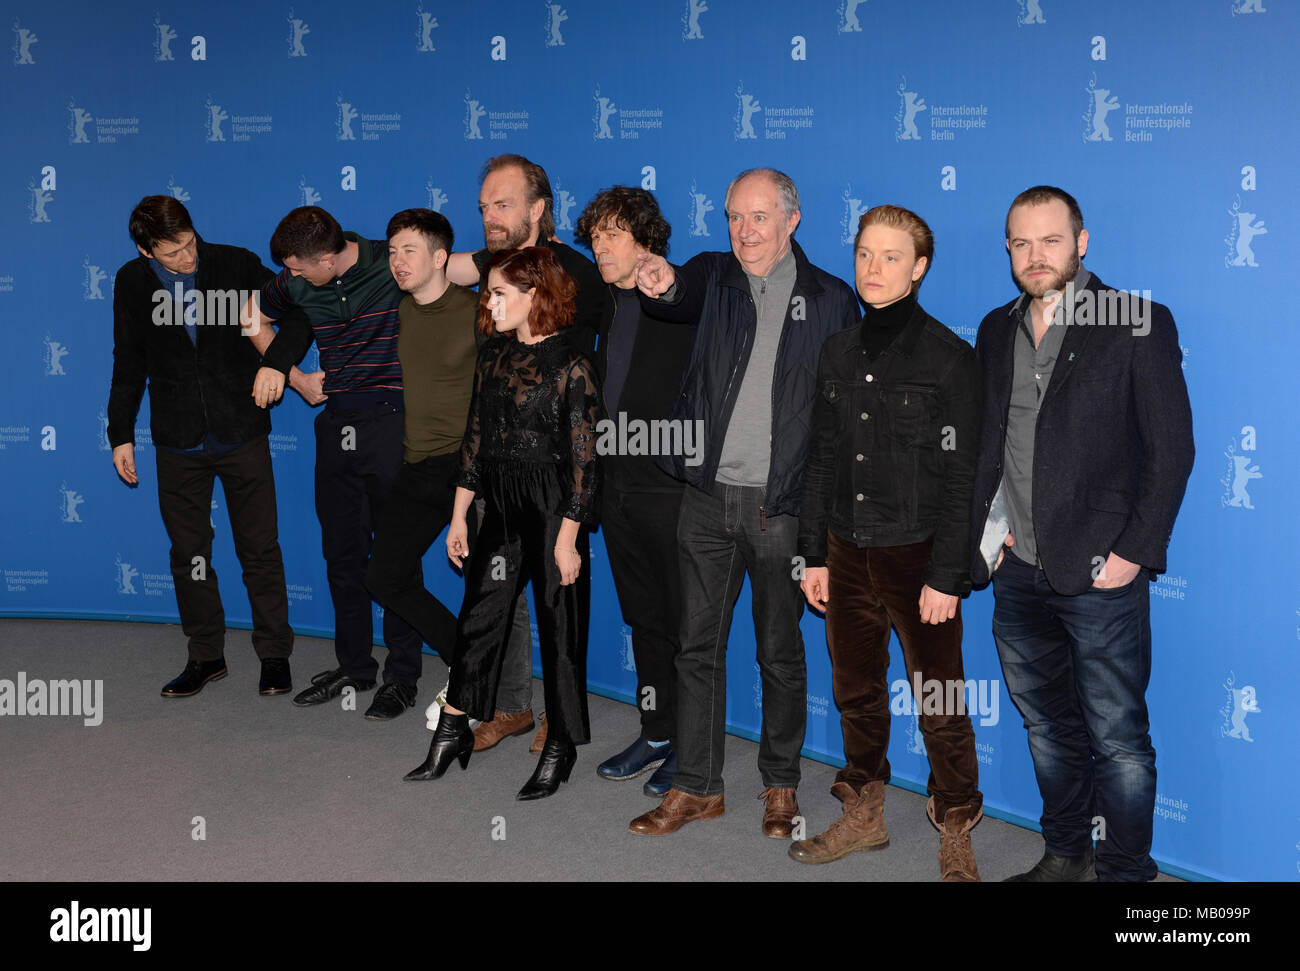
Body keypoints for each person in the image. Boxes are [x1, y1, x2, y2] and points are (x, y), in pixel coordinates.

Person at [970, 186, 1194, 882]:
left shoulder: (1136, 320)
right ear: (1008, 248)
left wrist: (1132, 553)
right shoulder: (994, 328)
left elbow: (1172, 449)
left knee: (1118, 739)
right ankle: (1066, 853)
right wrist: (992, 532)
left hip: (1102, 572)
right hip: (1019, 572)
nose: (1035, 256)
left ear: (1082, 242)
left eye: (1050, 240)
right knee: (1047, 728)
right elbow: (988, 444)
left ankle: (1127, 873)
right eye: (1020, 243)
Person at [627, 168, 859, 838]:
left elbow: (840, 418)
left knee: (779, 651)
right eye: (733, 216)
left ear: (792, 218)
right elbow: (676, 292)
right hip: (706, 499)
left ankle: (780, 783)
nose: (744, 231)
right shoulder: (714, 276)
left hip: (781, 508)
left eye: (758, 217)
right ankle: (697, 786)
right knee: (694, 645)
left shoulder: (831, 300)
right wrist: (661, 281)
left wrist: (824, 523)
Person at [791, 205, 983, 880]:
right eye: (865, 255)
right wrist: (813, 553)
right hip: (843, 553)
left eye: (891, 257)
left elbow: (964, 480)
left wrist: (947, 574)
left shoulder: (951, 360)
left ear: (920, 268)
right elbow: (820, 459)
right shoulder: (837, 351)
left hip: (919, 559)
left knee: (939, 702)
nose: (874, 269)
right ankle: (864, 812)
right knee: (856, 692)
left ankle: (955, 823)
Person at [404, 246, 602, 800]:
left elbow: (587, 462)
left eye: (498, 293)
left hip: (553, 506)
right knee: (480, 617)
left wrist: (569, 538)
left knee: (561, 629)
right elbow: (475, 440)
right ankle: (453, 729)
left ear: (534, 296)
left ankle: (560, 744)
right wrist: (460, 515)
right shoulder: (492, 355)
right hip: (499, 500)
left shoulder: (573, 363)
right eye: (489, 291)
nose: (487, 303)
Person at [438, 154, 611, 754]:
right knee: (493, 602)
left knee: (556, 605)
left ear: (539, 210)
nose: (489, 216)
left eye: (503, 204)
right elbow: (441, 266)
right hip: (497, 470)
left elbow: (589, 383)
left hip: (555, 474)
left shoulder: (578, 278)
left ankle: (560, 727)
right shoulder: (492, 268)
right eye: (483, 206)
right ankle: (507, 706)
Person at [107, 195, 298, 697]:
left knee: (259, 547)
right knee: (190, 553)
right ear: (147, 252)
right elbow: (127, 363)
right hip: (176, 440)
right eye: (172, 254)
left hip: (242, 431)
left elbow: (298, 311)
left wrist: (276, 362)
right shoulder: (131, 282)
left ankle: (275, 654)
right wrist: (120, 434)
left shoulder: (234, 263)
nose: (187, 259)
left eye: (189, 244)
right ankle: (206, 656)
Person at [244, 206, 424, 720]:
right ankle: (355, 667)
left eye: (300, 268)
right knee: (343, 554)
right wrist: (296, 378)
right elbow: (252, 316)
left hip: (393, 422)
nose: (292, 277)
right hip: (336, 425)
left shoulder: (390, 263)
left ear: (328, 257)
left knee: (395, 557)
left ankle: (403, 675)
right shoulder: (296, 278)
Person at [573, 186, 692, 797]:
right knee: (644, 618)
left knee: (681, 624)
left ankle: (693, 747)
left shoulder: (676, 299)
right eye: (595, 236)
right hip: (617, 487)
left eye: (613, 234)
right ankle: (658, 729)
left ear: (647, 238)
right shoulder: (611, 304)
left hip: (669, 489)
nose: (600, 247)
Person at [359, 209, 480, 719]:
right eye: (391, 251)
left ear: (440, 258)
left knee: (486, 589)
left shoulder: (479, 311)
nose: (397, 261)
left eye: (409, 250)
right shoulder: (402, 309)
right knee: (384, 576)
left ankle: (488, 694)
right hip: (417, 464)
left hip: (470, 470)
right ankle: (466, 659)